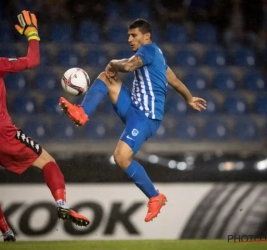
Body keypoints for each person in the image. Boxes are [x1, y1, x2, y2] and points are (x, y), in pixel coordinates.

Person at [59, 19, 207, 222]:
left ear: (147, 36)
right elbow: (174, 81)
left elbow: (128, 66)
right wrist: (189, 98)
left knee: (121, 158)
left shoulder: (147, 52)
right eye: (128, 35)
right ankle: (82, 113)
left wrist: (113, 63)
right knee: (105, 78)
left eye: (134, 35)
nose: (129, 39)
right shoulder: (157, 56)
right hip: (133, 108)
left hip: (146, 118)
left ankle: (156, 197)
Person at [0, 10, 89, 242]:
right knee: (48, 162)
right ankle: (62, 204)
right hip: (0, 133)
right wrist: (32, 34)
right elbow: (32, 61)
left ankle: (6, 232)